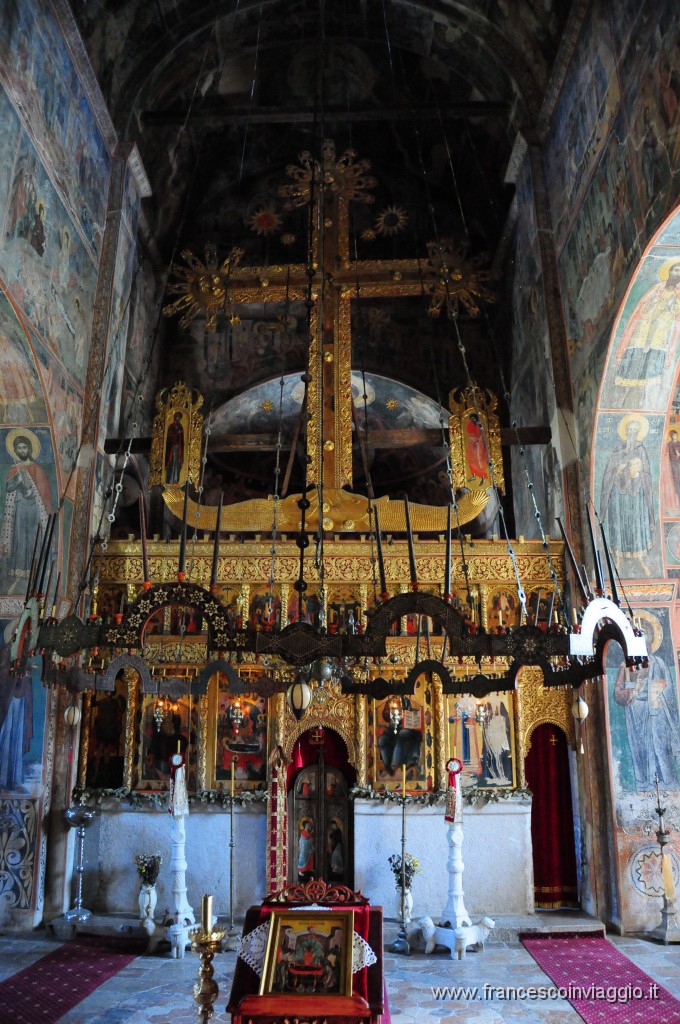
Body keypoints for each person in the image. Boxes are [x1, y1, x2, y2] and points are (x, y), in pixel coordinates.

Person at [613, 618, 680, 791]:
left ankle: (668, 786)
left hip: (657, 713)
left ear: (650, 642)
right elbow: (617, 691)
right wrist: (628, 694)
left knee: (660, 748)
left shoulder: (659, 663)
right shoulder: (626, 666)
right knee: (641, 751)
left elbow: (670, 691)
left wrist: (657, 692)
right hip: (636, 714)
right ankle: (644, 785)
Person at [599, 415, 654, 576]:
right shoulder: (618, 449)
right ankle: (618, 558)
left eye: (635, 430)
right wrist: (620, 469)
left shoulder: (641, 449)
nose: (632, 433)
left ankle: (641, 559)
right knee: (620, 525)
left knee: (636, 525)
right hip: (619, 496)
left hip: (636, 497)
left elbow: (647, 474)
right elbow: (609, 472)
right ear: (625, 431)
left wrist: (638, 472)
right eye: (630, 430)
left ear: (638, 433)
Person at [614, 260, 680, 391]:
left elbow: (676, 314)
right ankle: (626, 391)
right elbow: (641, 308)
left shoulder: (678, 294)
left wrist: (672, 306)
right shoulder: (656, 289)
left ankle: (648, 388)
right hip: (643, 329)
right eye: (675, 270)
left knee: (652, 368)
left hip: (661, 333)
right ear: (669, 272)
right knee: (635, 358)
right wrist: (652, 303)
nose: (677, 274)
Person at [0, 433, 53, 594]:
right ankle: (17, 576)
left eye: (24, 447)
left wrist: (29, 488)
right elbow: (9, 488)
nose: (22, 450)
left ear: (29, 449)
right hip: (18, 510)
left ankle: (33, 575)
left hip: (33, 512)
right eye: (19, 448)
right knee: (18, 541)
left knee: (31, 541)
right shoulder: (14, 469)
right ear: (15, 450)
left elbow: (42, 495)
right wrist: (17, 481)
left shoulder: (37, 469)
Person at [465, 413, 489, 486]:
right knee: (471, 459)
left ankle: (483, 478)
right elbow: (468, 430)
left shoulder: (479, 425)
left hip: (479, 444)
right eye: (471, 419)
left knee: (479, 461)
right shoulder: (471, 424)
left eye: (474, 418)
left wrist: (478, 441)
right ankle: (473, 476)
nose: (473, 420)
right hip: (472, 444)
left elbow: (482, 434)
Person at [164, 411, 184, 483]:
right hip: (171, 448)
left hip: (178, 448)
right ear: (175, 417)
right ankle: (169, 479)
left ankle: (175, 479)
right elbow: (169, 435)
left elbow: (182, 439)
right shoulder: (171, 426)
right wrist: (176, 433)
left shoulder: (180, 426)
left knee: (177, 462)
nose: (177, 419)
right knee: (171, 461)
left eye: (179, 417)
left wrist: (180, 434)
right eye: (177, 417)